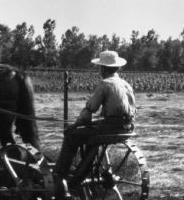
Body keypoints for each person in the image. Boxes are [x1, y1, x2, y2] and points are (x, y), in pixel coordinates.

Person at [54, 50, 136, 183]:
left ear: (103, 69)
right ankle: (83, 170)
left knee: (71, 134)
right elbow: (131, 109)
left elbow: (90, 109)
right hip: (127, 127)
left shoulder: (105, 84)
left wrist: (76, 124)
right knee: (91, 136)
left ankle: (60, 174)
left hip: (110, 127)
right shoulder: (126, 84)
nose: (99, 70)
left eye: (100, 68)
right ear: (117, 67)